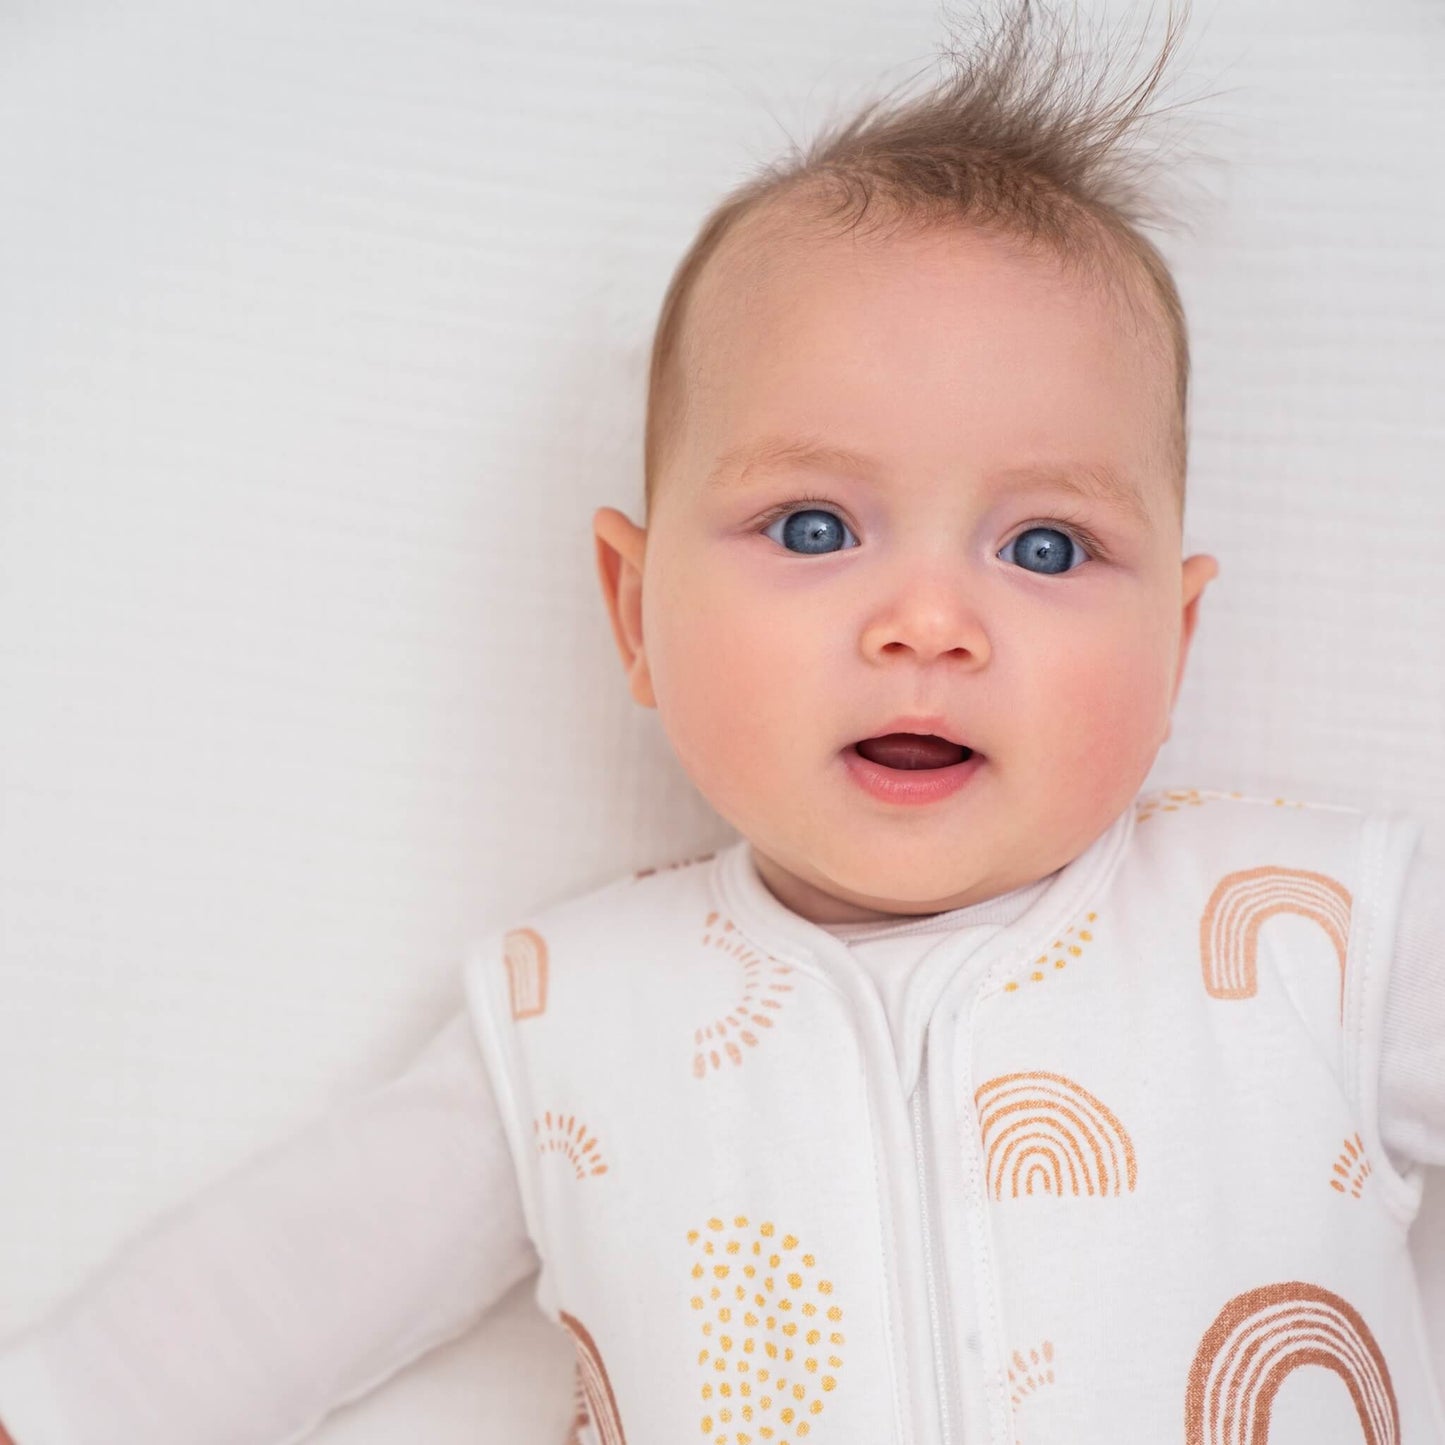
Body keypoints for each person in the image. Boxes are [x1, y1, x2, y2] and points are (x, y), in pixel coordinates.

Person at [2, 2, 1441, 1441]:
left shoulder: (1317, 932)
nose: (927, 622)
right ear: (635, 610)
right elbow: (248, 1305)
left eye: (1047, 547)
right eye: (812, 525)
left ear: (1176, 643)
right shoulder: (573, 1014)